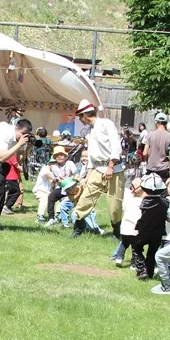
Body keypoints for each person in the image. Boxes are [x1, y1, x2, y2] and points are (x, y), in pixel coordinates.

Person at [70, 100, 125, 239]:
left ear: (85, 115)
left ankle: (117, 232)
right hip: (96, 169)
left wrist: (111, 167)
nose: (80, 120)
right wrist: (88, 175)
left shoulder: (106, 124)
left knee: (114, 206)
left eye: (80, 117)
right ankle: (79, 227)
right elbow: (91, 156)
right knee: (85, 198)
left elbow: (116, 147)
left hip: (114, 169)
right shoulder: (89, 131)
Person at [132, 173, 168, 280]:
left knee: (136, 247)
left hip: (144, 231)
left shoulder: (145, 201)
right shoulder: (166, 202)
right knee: (152, 253)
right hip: (158, 232)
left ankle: (142, 269)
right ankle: (150, 272)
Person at [33, 145, 74, 222]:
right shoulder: (45, 169)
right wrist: (57, 179)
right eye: (52, 163)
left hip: (49, 190)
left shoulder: (57, 169)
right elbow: (50, 178)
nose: (53, 165)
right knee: (45, 198)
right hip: (40, 190)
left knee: (57, 199)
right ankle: (40, 215)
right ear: (49, 163)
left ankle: (57, 214)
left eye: (54, 163)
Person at [110, 177, 143, 266]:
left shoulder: (128, 200)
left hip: (125, 228)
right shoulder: (143, 202)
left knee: (124, 243)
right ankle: (134, 264)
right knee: (135, 247)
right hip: (135, 229)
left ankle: (119, 258)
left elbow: (124, 207)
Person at [143, 113, 170, 182]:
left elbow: (144, 153)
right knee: (162, 190)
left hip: (151, 167)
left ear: (156, 122)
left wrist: (147, 160)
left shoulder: (150, 135)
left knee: (151, 189)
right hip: (164, 168)